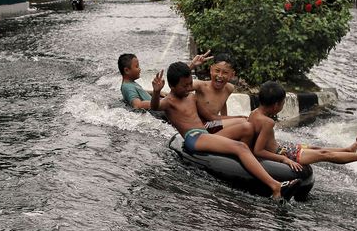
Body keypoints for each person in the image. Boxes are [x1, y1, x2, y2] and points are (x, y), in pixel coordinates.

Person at [151, 62, 298, 200]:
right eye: (185, 86)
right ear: (172, 86)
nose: (189, 87)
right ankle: (275, 186)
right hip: (194, 138)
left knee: (247, 127)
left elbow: (211, 117)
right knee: (240, 147)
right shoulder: (169, 102)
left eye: (190, 83)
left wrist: (238, 117)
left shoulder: (192, 97)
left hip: (205, 135)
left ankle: (249, 159)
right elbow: (154, 106)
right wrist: (157, 92)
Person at [249, 82, 357, 170]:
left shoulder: (254, 113)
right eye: (283, 104)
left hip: (284, 149)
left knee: (315, 147)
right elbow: (258, 151)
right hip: (285, 154)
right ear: (276, 105)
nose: (282, 107)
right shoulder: (268, 122)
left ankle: (348, 150)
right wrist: (284, 160)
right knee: (324, 154)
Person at [118, 51, 215, 110]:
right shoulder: (127, 87)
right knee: (189, 95)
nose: (139, 69)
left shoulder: (130, 84)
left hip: (160, 105)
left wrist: (157, 93)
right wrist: (163, 102)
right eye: (136, 66)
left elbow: (141, 93)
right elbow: (137, 105)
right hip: (160, 110)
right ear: (126, 70)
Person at [193, 52, 249, 133]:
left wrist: (226, 123)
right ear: (211, 70)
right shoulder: (201, 86)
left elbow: (223, 103)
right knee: (243, 121)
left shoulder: (229, 88)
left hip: (214, 124)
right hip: (201, 127)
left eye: (225, 72)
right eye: (217, 70)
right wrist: (192, 65)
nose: (220, 75)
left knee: (247, 123)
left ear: (232, 75)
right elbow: (179, 83)